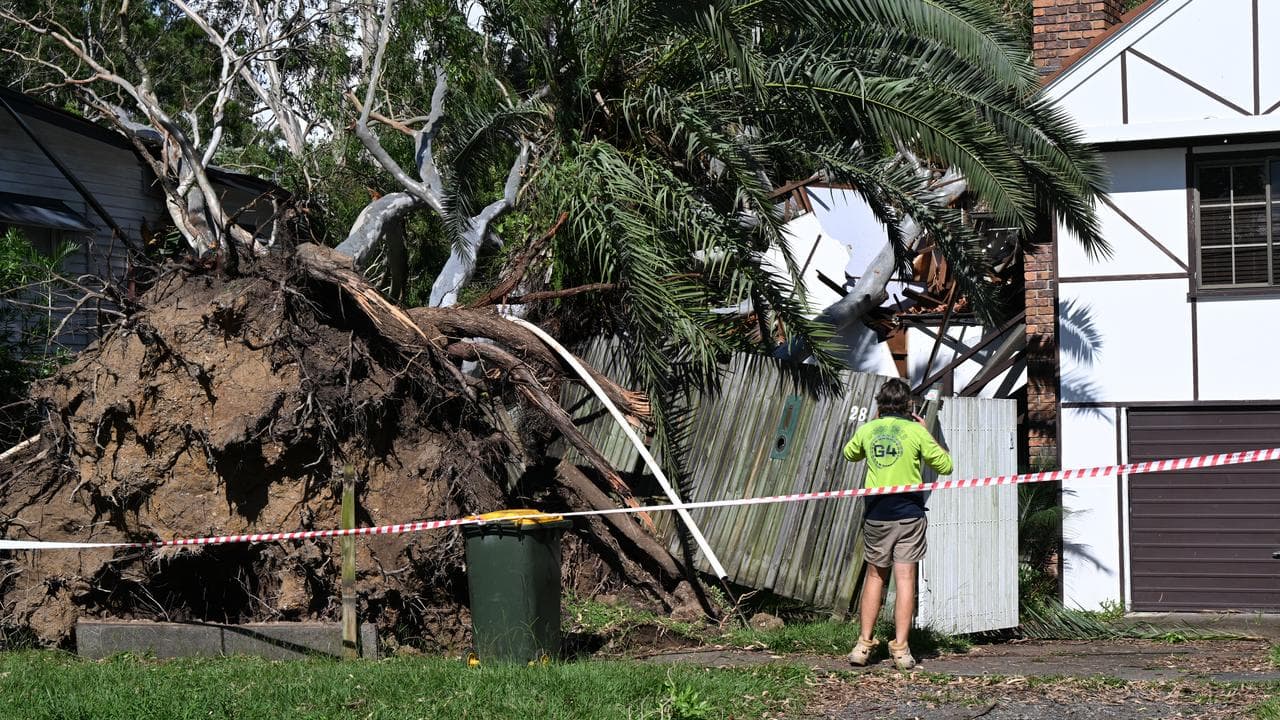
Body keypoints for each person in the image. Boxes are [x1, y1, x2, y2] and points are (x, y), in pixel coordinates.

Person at [840, 378, 952, 670]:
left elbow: (849, 454)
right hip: (909, 514)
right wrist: (925, 433)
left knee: (875, 577)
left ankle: (864, 645)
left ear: (879, 405)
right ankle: (901, 650)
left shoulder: (868, 429)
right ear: (908, 406)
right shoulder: (916, 431)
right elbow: (946, 466)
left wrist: (872, 429)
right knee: (905, 579)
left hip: (877, 513)